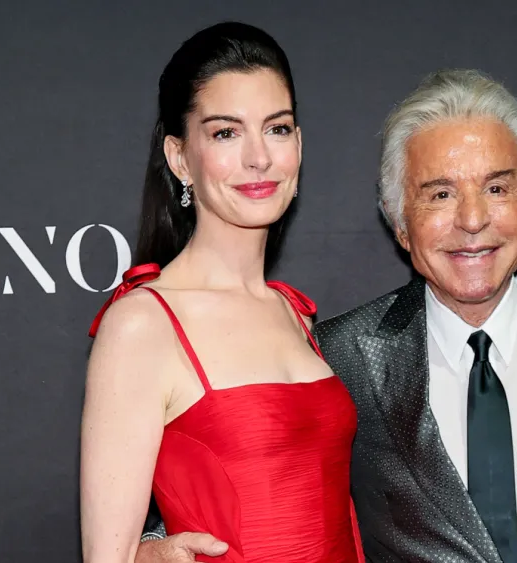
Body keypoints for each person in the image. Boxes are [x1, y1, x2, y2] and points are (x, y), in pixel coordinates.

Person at [136, 69, 517, 562]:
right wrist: (147, 548)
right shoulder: (339, 355)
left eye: (497, 188)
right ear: (400, 223)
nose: (473, 220)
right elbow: (247, 484)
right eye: (440, 194)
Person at [79, 22, 364, 563]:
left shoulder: (293, 312)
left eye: (277, 129)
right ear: (180, 157)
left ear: (299, 146)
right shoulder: (143, 324)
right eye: (226, 133)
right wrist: (151, 553)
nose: (259, 157)